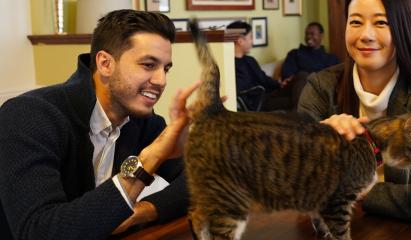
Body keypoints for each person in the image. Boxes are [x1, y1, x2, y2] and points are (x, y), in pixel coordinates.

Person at [0, 10, 199, 239]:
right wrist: (147, 162)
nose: (161, 80)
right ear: (105, 64)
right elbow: (39, 230)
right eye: (148, 65)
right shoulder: (28, 116)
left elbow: (202, 179)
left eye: (165, 68)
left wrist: (145, 211)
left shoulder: (145, 123)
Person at [297, 0, 411, 228]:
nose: (366, 35)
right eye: (355, 21)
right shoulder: (320, 88)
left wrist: (361, 187)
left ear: (401, 29)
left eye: (381, 22)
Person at [226, 21, 290, 111]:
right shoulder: (229, 65)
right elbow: (243, 90)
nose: (252, 41)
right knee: (294, 101)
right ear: (240, 41)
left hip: (267, 94)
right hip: (257, 103)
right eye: (251, 37)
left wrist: (280, 84)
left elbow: (264, 79)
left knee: (300, 78)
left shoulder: (250, 60)